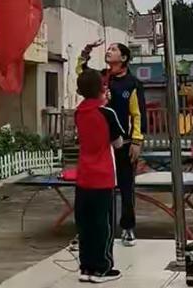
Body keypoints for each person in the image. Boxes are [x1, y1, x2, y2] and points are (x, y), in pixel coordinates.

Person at [76, 40, 147, 247]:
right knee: (97, 187)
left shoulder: (133, 84)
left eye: (113, 49)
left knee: (126, 185)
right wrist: (86, 50)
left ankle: (127, 227)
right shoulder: (100, 78)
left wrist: (137, 140)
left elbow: (138, 114)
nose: (109, 51)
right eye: (108, 49)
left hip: (123, 142)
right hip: (101, 144)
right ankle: (97, 229)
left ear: (123, 58)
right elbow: (81, 72)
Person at [74, 69, 125, 283]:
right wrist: (106, 104)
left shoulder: (78, 112)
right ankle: (102, 267)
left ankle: (86, 267)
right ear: (101, 88)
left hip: (83, 175)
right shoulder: (107, 113)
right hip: (102, 176)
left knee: (85, 223)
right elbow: (118, 143)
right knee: (103, 224)